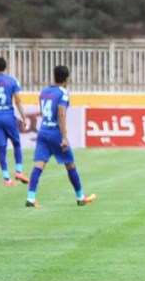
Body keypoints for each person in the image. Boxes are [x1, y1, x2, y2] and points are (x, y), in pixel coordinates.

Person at [26, 65, 96, 208]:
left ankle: (31, 197)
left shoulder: (44, 92)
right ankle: (80, 197)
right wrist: (64, 137)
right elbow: (61, 113)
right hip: (55, 133)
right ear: (66, 79)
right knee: (70, 164)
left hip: (43, 130)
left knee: (39, 164)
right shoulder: (63, 93)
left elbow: (43, 111)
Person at [0, 56, 30, 186]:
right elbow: (18, 101)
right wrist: (24, 117)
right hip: (8, 115)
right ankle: (18, 171)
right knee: (16, 143)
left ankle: (7, 178)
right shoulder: (12, 81)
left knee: (1, 148)